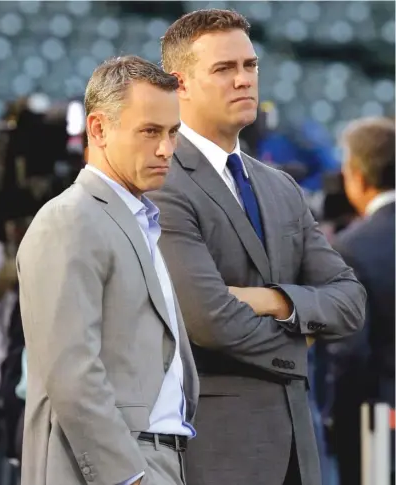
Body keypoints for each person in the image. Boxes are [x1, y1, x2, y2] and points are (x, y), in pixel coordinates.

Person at [149, 9, 366, 485]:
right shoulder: (160, 183)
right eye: (224, 69)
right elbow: (208, 320)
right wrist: (302, 341)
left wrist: (276, 301)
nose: (244, 80)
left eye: (250, 66)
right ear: (179, 84)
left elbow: (350, 300)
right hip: (216, 451)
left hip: (299, 448)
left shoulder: (280, 186)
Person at [16, 56, 199, 485]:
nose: (165, 149)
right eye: (150, 131)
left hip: (161, 456)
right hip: (116, 465)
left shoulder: (138, 220)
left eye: (172, 133)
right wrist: (128, 476)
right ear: (97, 129)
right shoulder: (70, 218)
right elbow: (72, 372)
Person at [331, 117, 395, 485]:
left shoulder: (353, 247)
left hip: (380, 423)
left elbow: (350, 352)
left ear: (356, 174)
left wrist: (336, 421)